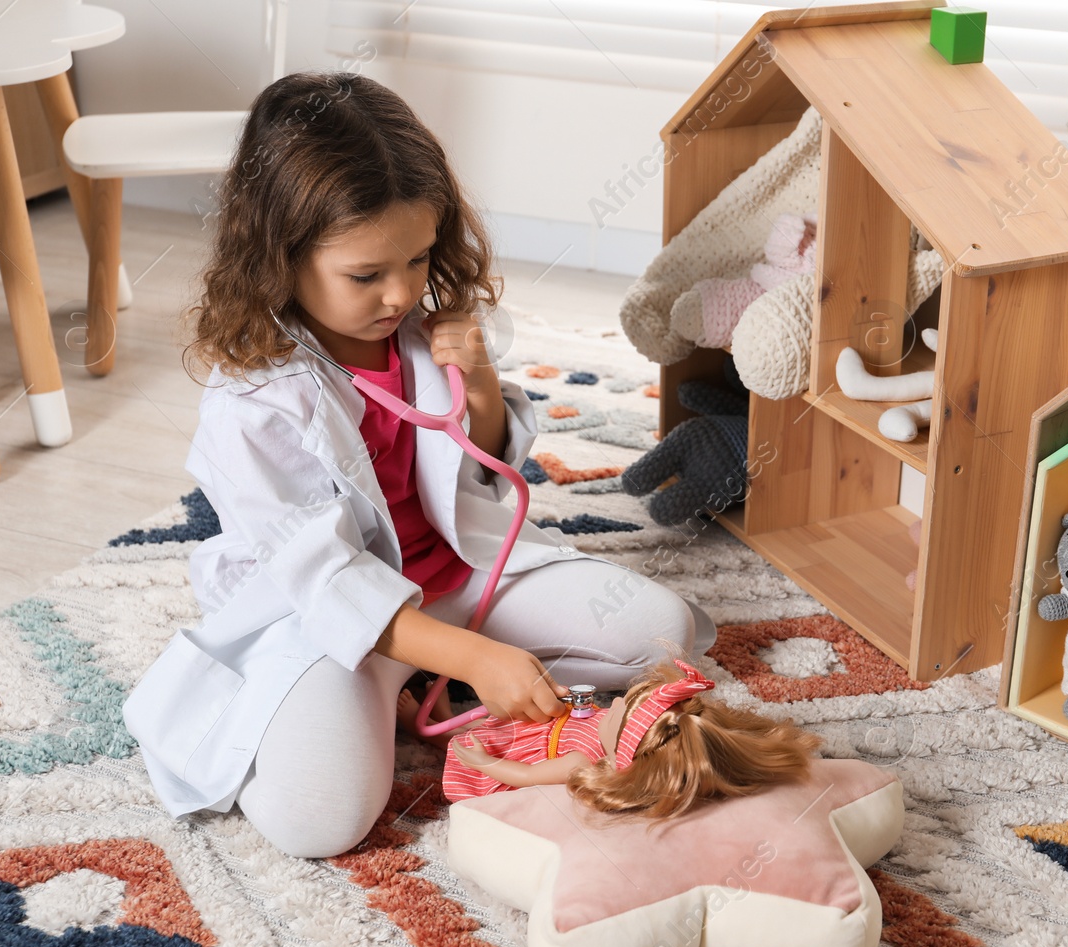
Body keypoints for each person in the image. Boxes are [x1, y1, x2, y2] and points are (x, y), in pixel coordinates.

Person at [122, 71, 712, 859]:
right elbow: (327, 577)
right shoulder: (250, 404)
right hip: (336, 622)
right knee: (320, 818)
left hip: (454, 576)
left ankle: (429, 685)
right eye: (365, 275)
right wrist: (477, 658)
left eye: (419, 258)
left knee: (662, 633)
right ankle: (355, 694)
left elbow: (486, 473)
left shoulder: (420, 334)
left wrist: (481, 384)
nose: (401, 292)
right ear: (278, 256)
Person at [438, 660, 819, 819]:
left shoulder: (581, 762)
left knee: (459, 746)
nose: (614, 701)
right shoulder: (614, 731)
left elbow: (525, 776)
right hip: (538, 724)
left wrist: (485, 762)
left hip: (515, 751)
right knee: (480, 722)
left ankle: (433, 729)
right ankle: (441, 719)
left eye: (618, 710)